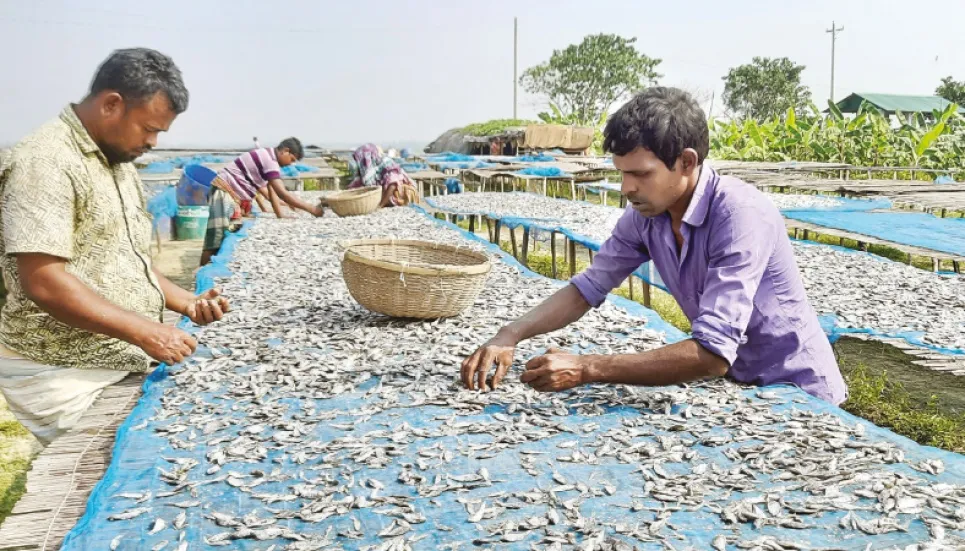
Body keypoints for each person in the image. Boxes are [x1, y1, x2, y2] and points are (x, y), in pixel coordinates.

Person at [461, 87, 847, 405]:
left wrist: (587, 367)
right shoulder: (646, 216)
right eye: (622, 173)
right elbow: (589, 287)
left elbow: (712, 355)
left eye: (640, 174)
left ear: (686, 162)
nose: (627, 188)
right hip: (741, 388)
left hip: (800, 391)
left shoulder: (740, 214)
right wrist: (508, 335)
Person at [0, 48, 230, 445]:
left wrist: (187, 303)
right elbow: (44, 281)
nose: (153, 142)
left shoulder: (117, 161)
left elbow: (125, 259)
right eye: (148, 128)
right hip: (63, 367)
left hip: (118, 354)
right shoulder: (46, 162)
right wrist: (147, 332)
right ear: (111, 105)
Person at [200, 137, 323, 266]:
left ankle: (211, 271)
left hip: (232, 197)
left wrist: (280, 215)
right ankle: (201, 273)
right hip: (224, 193)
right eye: (292, 159)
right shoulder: (269, 161)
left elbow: (272, 191)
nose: (290, 164)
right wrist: (312, 209)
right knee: (216, 239)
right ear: (285, 151)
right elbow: (282, 193)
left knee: (228, 236)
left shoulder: (268, 156)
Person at [341, 143, 419, 208]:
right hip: (388, 197)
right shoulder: (367, 170)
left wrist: (380, 205)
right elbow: (356, 185)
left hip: (403, 196)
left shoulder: (385, 163)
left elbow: (393, 185)